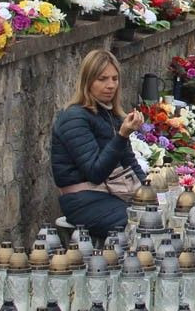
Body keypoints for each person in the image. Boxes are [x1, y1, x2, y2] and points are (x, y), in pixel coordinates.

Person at [51, 50, 147, 240]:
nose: (110, 85)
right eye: (102, 79)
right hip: (84, 201)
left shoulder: (112, 116)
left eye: (114, 79)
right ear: (88, 81)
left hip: (113, 194)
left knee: (161, 214)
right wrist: (121, 136)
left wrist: (150, 191)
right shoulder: (74, 117)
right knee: (142, 225)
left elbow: (129, 162)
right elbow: (95, 172)